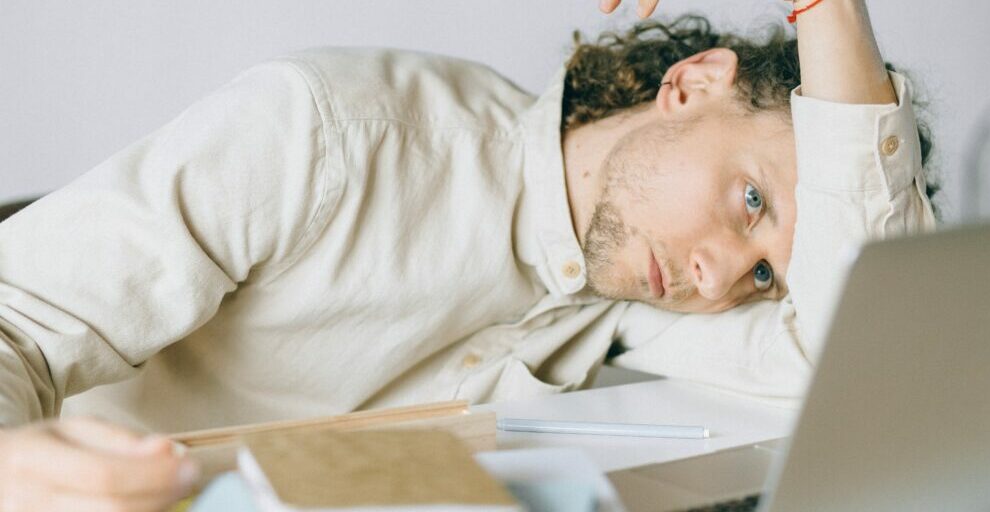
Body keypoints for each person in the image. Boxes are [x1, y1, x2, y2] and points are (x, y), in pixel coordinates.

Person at [0, 0, 935, 510]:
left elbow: (864, 369)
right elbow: (17, 321)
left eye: (767, 270)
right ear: (690, 86)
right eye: (752, 201)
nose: (724, 277)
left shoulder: (625, 301)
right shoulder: (328, 132)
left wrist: (833, 12)